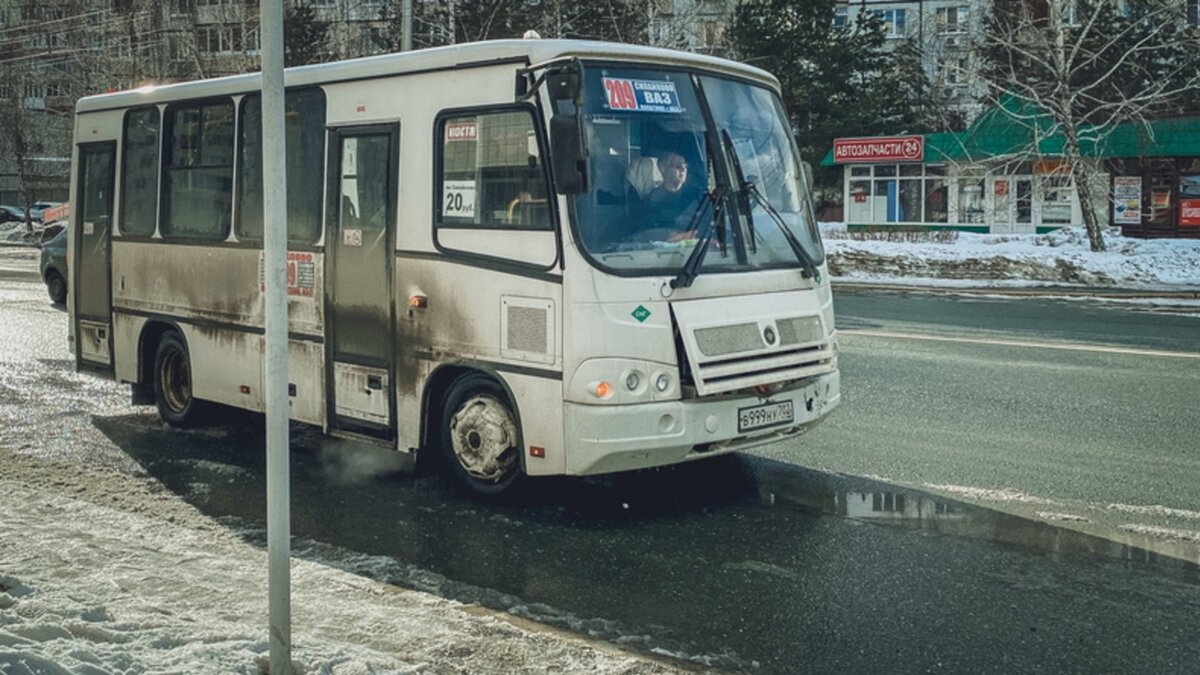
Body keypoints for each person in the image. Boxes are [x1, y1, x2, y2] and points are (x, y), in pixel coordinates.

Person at [638, 151, 702, 242]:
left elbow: (706, 227)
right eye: (678, 166)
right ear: (663, 168)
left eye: (685, 166)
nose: (683, 170)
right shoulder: (652, 200)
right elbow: (647, 233)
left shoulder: (697, 197)